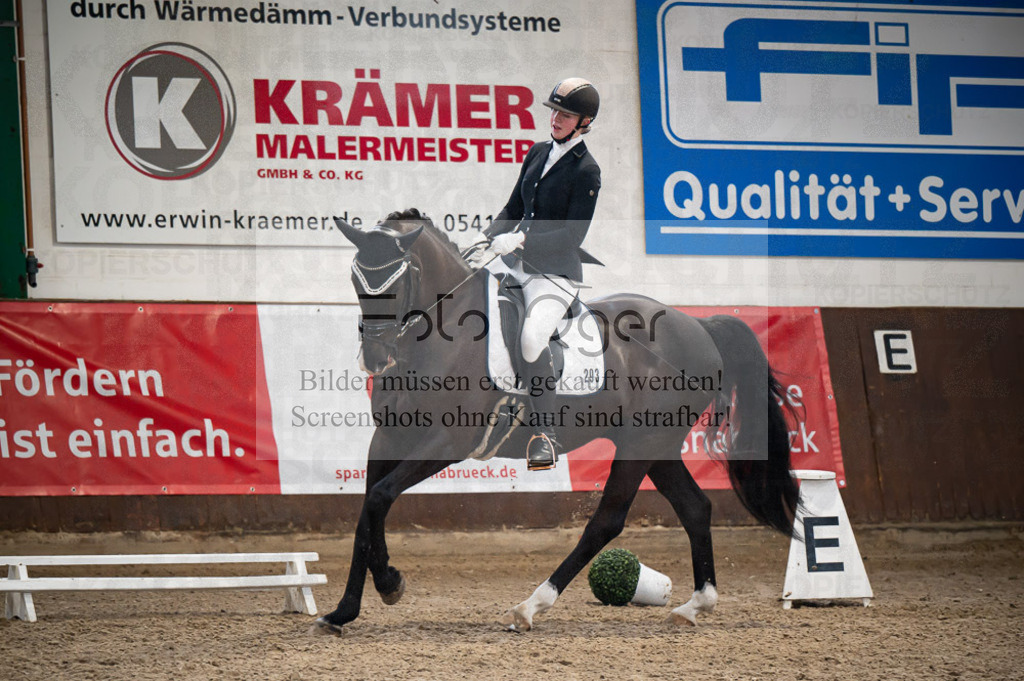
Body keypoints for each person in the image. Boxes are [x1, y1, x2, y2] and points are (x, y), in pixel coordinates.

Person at [483, 77, 603, 471]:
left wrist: (520, 241)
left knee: (533, 337)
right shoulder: (537, 153)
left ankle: (545, 434)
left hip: (555, 276)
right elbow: (513, 206)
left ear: (583, 122)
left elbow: (572, 235)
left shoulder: (587, 170)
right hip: (518, 268)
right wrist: (485, 239)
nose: (555, 118)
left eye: (565, 114)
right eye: (554, 111)